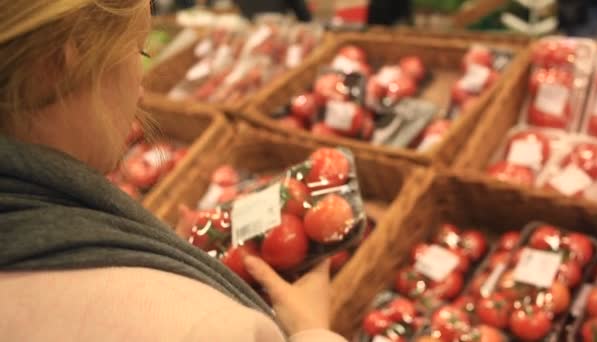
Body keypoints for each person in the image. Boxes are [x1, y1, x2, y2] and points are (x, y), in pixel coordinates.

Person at [0, 1, 344, 341]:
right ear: (62, 62)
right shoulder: (204, 327)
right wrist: (310, 330)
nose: (141, 90)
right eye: (139, 51)